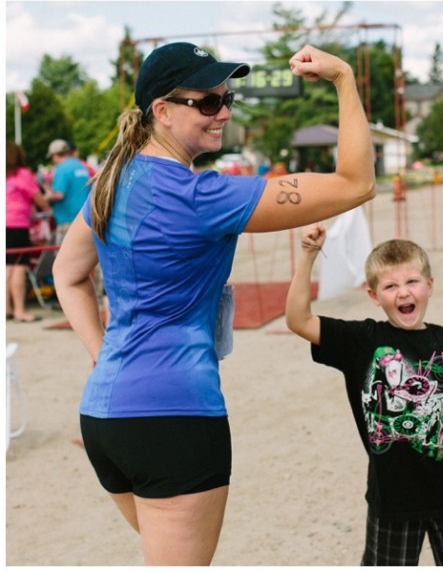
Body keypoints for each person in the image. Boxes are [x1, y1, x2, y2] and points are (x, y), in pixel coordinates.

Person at [52, 42, 375, 565]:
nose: (223, 111)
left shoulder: (111, 181)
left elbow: (67, 276)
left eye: (227, 98)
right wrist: (343, 79)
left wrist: (100, 353)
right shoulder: (201, 196)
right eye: (206, 102)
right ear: (161, 110)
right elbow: (356, 184)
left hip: (104, 415)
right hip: (174, 417)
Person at [286, 225, 443, 565]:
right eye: (390, 286)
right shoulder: (361, 341)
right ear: (374, 296)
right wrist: (308, 256)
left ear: (430, 286)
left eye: (412, 282)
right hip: (394, 500)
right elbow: (298, 320)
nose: (403, 293)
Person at [6, 142, 52, 323]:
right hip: (17, 225)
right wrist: (46, 205)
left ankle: (7, 309)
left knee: (7, 268)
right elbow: (40, 200)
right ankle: (19, 310)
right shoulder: (23, 175)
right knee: (19, 267)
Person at [44, 138, 91, 244]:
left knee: (63, 257)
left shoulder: (62, 168)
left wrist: (45, 197)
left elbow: (59, 194)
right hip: (83, 217)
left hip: (66, 219)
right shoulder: (81, 166)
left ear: (55, 155)